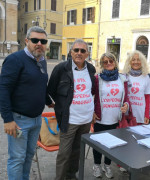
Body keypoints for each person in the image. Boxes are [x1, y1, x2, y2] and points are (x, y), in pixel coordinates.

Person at [0, 26, 53, 180]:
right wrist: (8, 119)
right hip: (19, 121)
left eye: (43, 41)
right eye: (35, 40)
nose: (39, 44)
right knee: (17, 159)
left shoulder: (42, 61)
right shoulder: (15, 60)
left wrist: (49, 101)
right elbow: (3, 90)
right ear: (27, 40)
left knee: (29, 155)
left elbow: (40, 85)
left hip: (37, 119)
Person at [47, 39, 96, 180]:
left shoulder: (91, 69)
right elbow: (50, 90)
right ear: (71, 52)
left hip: (86, 119)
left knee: (77, 151)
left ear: (87, 53)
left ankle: (71, 176)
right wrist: (56, 105)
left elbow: (91, 90)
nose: (79, 53)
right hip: (69, 119)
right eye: (76, 50)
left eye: (83, 51)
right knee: (64, 153)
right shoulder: (61, 68)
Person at [92, 52, 129, 179]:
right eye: (105, 62)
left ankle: (107, 165)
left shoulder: (122, 78)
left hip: (115, 117)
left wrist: (126, 106)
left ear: (115, 62)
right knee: (98, 143)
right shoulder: (97, 78)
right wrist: (92, 112)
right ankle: (97, 165)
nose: (108, 63)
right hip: (100, 117)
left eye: (110, 61)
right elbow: (90, 95)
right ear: (102, 64)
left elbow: (126, 98)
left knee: (111, 144)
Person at [123, 50, 150, 124]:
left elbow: (147, 98)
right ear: (129, 62)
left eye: (138, 60)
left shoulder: (146, 77)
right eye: (133, 60)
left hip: (140, 114)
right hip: (126, 115)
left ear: (142, 62)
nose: (136, 62)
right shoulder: (124, 76)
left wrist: (147, 115)